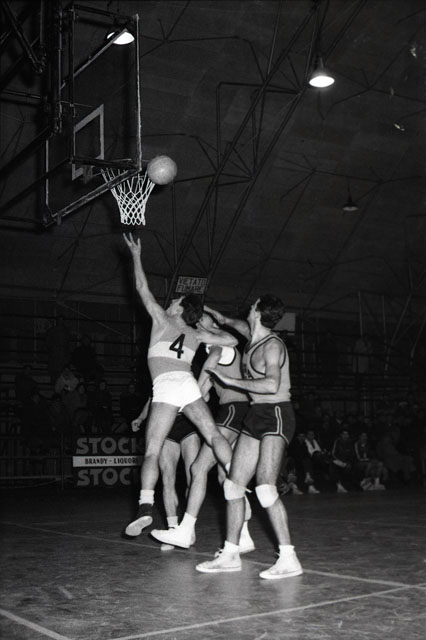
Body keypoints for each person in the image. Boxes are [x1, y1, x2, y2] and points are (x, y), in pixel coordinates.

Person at [122, 233, 238, 537]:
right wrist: (212, 333)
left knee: (152, 450)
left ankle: (145, 506)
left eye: (175, 301)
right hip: (187, 382)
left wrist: (136, 255)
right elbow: (231, 340)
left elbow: (141, 288)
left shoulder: (162, 319)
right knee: (213, 434)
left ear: (178, 309)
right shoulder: (195, 334)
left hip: (165, 386)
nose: (170, 302)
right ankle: (234, 476)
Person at [194, 295, 303, 580]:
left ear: (257, 311)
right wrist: (218, 316)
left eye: (253, 305)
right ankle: (230, 554)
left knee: (265, 488)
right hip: (256, 414)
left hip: (276, 414)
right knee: (233, 486)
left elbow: (272, 384)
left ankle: (289, 558)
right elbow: (237, 325)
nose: (249, 307)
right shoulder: (251, 333)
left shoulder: (272, 346)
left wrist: (230, 381)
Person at [151, 313, 254, 553]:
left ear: (215, 325)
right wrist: (201, 392)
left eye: (204, 320)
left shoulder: (217, 345)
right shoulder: (216, 345)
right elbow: (209, 382)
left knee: (198, 468)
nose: (198, 322)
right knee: (224, 476)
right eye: (197, 321)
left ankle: (186, 530)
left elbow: (209, 368)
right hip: (240, 411)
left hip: (233, 409)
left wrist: (191, 394)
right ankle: (244, 537)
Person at [132, 400, 201, 551]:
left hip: (188, 423)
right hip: (165, 424)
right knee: (167, 480)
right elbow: (152, 398)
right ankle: (172, 529)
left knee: (193, 479)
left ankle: (188, 528)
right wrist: (141, 417)